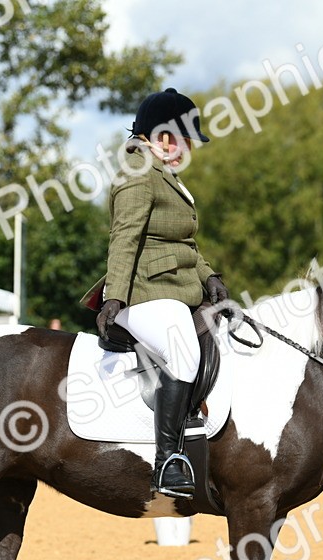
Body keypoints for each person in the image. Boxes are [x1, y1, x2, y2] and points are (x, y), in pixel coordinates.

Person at [82, 88, 230, 499]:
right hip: (144, 293)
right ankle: (167, 461)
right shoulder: (137, 172)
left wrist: (210, 276)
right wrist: (114, 296)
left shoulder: (165, 175)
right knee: (183, 349)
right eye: (184, 140)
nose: (187, 150)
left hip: (176, 290)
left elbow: (184, 245)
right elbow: (124, 237)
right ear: (163, 137)